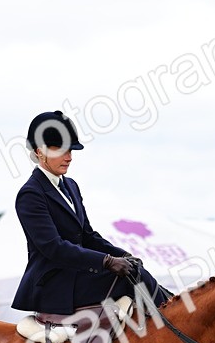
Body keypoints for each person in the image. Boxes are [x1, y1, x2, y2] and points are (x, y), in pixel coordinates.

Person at [12, 110, 170, 316]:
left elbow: (87, 235)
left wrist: (121, 254)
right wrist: (107, 261)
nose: (69, 157)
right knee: (130, 278)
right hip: (53, 284)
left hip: (77, 275)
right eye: (61, 151)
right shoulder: (31, 193)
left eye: (71, 151)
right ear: (39, 152)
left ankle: (174, 309)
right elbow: (53, 248)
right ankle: (176, 316)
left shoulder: (70, 186)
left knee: (135, 270)